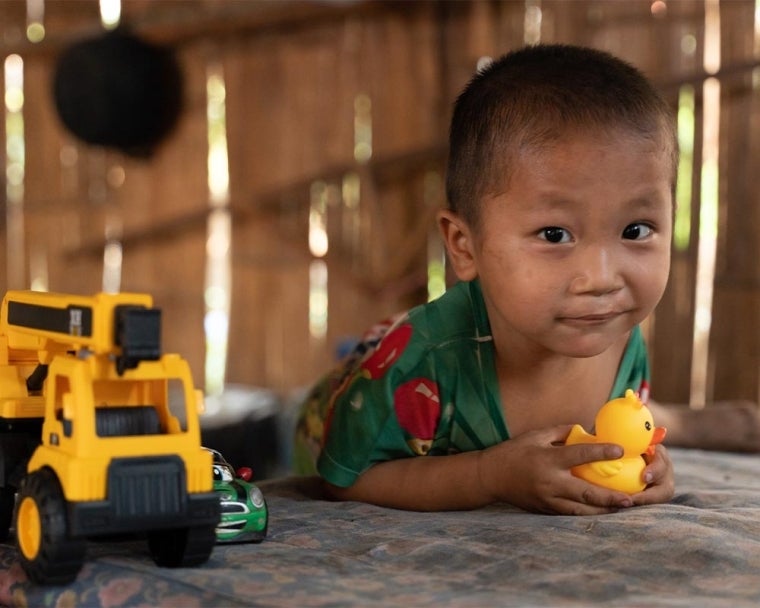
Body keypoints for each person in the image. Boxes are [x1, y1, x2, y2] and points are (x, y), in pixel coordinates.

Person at [293, 43, 760, 515]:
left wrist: (648, 467)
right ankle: (679, 421)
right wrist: (490, 474)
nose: (601, 279)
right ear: (463, 246)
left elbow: (616, 437)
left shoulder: (616, 332)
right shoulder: (422, 367)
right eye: (554, 235)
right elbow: (348, 479)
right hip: (348, 406)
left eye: (635, 230)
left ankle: (671, 422)